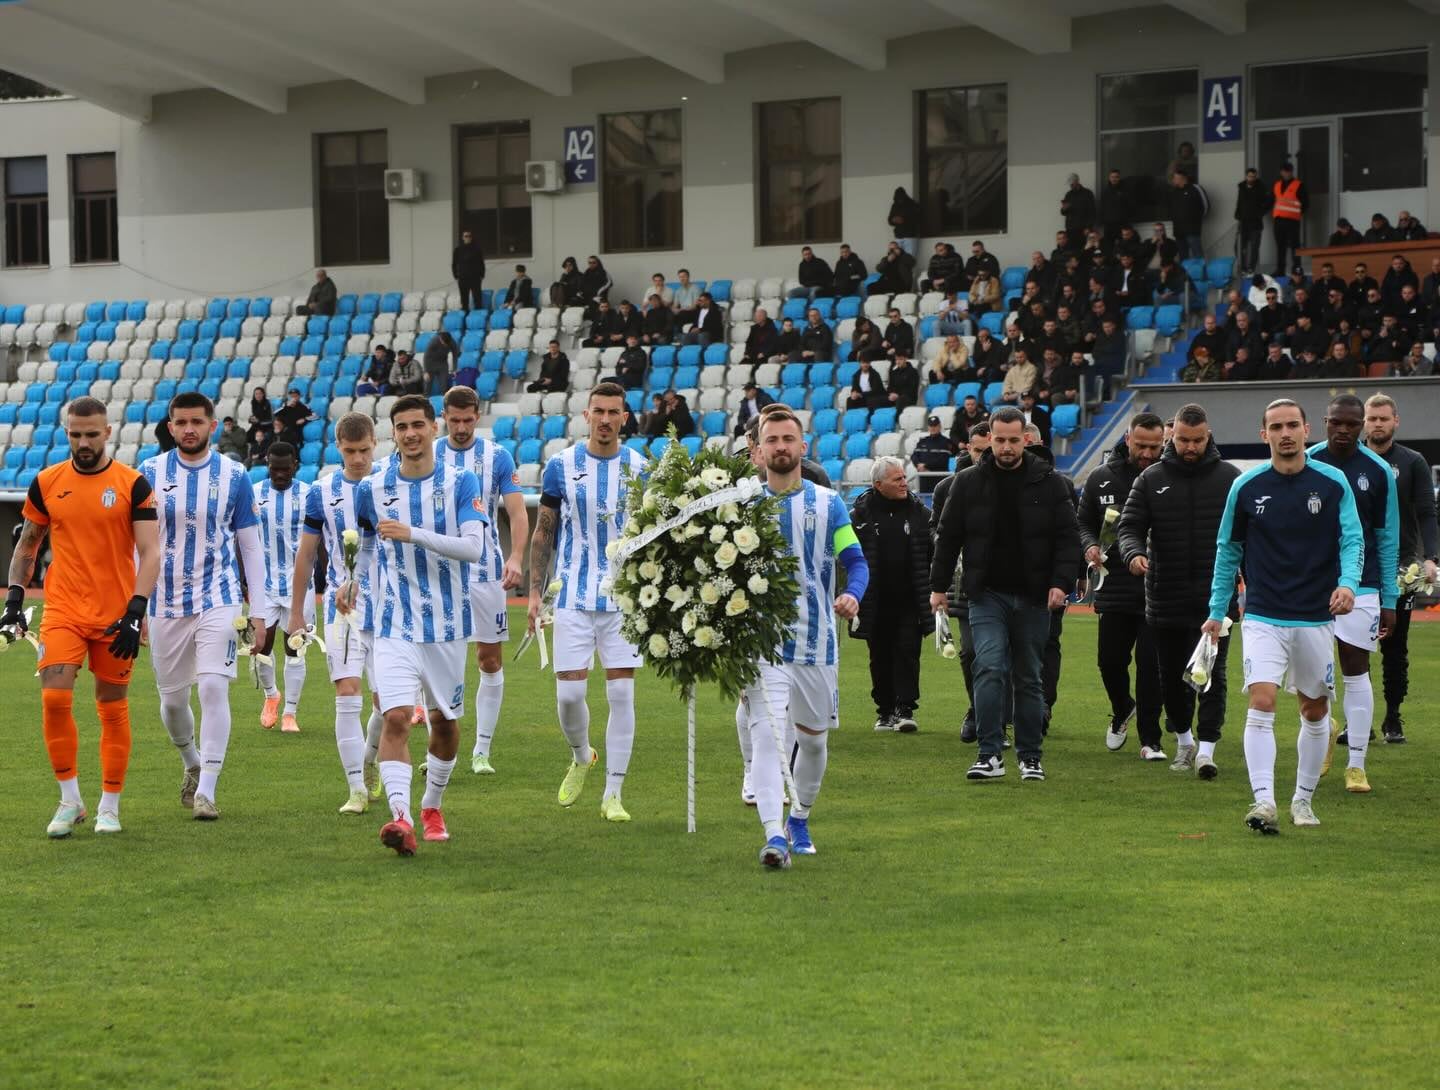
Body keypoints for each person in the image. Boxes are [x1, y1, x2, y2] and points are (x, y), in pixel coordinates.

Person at [338, 395, 489, 856]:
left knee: (444, 725)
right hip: (393, 623)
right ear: (393, 432)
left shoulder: (461, 481)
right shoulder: (373, 486)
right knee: (397, 717)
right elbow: (366, 543)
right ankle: (401, 818)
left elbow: (473, 548)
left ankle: (431, 805)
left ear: (434, 427)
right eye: (401, 426)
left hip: (446, 625)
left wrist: (413, 534)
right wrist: (353, 580)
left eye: (418, 425)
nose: (410, 434)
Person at [3, 397, 160, 837]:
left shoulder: (133, 484)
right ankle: (70, 801)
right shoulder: (47, 482)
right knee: (54, 700)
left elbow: (150, 552)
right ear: (66, 431)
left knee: (111, 708)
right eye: (75, 434)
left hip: (116, 614)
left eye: (92, 434)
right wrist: (14, 600)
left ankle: (110, 805)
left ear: (107, 433)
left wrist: (136, 610)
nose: (84, 442)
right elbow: (28, 545)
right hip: (64, 610)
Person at [1204, 398, 1362, 834]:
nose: (1286, 433)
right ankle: (1264, 801)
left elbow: (1352, 539)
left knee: (1313, 710)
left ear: (1307, 430)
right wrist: (1217, 611)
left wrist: (1348, 583)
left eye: (1293, 425)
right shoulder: (1247, 487)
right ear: (1264, 435)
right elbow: (1227, 551)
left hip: (1315, 616)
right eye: (1277, 426)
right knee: (1262, 700)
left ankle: (1303, 800)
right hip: (1263, 615)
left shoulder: (1332, 484)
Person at [742, 408, 867, 868]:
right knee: (769, 740)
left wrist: (852, 595)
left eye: (787, 439)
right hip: (762, 645)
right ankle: (774, 836)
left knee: (813, 742)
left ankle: (800, 816)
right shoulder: (741, 505)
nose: (780, 447)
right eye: (771, 439)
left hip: (816, 643)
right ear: (758, 450)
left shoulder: (828, 503)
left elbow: (855, 561)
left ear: (802, 445)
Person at [930, 407, 1081, 782]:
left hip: (1033, 596)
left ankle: (1030, 757)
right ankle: (990, 754)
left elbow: (1067, 540)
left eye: (1014, 440)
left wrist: (1061, 583)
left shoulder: (1051, 483)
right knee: (989, 666)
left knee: (1029, 676)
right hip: (986, 594)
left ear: (1025, 440)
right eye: (1000, 440)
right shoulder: (966, 483)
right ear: (989, 440)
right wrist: (937, 587)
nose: (1007, 447)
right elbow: (948, 538)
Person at [140, 392, 268, 820]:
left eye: (197, 421)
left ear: (213, 425)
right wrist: (135, 605)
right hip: (164, 600)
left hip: (220, 596)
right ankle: (192, 762)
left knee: (213, 687)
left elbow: (250, 546)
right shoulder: (149, 473)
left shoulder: (234, 475)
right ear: (171, 427)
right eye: (181, 422)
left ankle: (207, 791)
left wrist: (260, 610)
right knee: (173, 702)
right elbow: (136, 547)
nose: (189, 429)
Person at [528, 383, 648, 823]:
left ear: (624, 417)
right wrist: (536, 591)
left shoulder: (641, 467)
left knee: (620, 691)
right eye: (598, 411)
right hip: (573, 595)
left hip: (624, 597)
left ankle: (613, 794)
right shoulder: (560, 466)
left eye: (613, 412)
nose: (604, 419)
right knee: (569, 696)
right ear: (585, 415)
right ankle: (582, 756)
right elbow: (545, 530)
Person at [1118, 403, 1241, 779]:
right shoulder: (1151, 478)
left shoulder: (1230, 479)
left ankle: (1207, 749)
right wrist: (1134, 554)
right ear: (1173, 437)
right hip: (1165, 595)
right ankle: (1184, 741)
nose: (1190, 447)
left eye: (1197, 440)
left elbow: (1249, 533)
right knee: (1171, 677)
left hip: (1214, 599)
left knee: (1211, 676)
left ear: (1208, 436)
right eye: (1184, 440)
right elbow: (1129, 527)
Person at [288, 413, 381, 814]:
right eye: (350, 451)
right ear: (337, 447)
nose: (358, 458)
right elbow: (307, 554)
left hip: (391, 608)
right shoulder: (320, 492)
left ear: (375, 443)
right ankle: (356, 789)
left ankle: (371, 758)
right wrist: (296, 612)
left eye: (364, 450)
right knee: (346, 693)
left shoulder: (390, 484)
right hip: (342, 611)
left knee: (385, 704)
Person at [434, 386, 528, 775]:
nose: (460, 427)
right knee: (439, 661)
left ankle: (482, 750)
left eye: (467, 419)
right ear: (444, 416)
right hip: (438, 574)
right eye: (453, 420)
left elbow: (518, 513)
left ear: (478, 415)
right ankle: (439, 750)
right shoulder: (429, 453)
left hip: (486, 573)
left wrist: (517, 557)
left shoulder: (498, 456)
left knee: (488, 659)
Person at [1308, 394, 1398, 795]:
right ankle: (1324, 730)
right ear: (1325, 421)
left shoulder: (1378, 471)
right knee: (1311, 673)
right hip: (1310, 582)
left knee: (1354, 666)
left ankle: (1357, 764)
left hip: (1362, 583)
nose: (1344, 430)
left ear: (1362, 425)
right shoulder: (1306, 461)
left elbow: (1387, 537)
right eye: (1336, 423)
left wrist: (1390, 599)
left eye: (1352, 424)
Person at [1078, 417, 1165, 758]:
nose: (1146, 453)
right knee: (1109, 661)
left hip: (1157, 587)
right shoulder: (1102, 478)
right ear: (1127, 439)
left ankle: (1150, 739)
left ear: (1164, 442)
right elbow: (1084, 522)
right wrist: (1089, 545)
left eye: (1153, 447)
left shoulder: (1168, 477)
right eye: (1140, 445)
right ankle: (1121, 708)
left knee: (1149, 665)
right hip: (1113, 585)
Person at [1363, 394, 1437, 745]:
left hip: (1400, 566)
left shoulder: (1412, 462)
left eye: (1384, 418)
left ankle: (1393, 716)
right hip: (1357, 567)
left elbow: (1426, 512)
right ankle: (1356, 721)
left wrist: (1431, 558)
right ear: (1364, 421)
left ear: (1396, 421)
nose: (1377, 423)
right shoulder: (1349, 461)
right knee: (1353, 647)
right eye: (1372, 418)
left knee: (1396, 646)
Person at [850, 457, 931, 731]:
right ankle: (884, 710)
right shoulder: (859, 516)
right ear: (878, 484)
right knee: (879, 656)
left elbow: (931, 552)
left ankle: (905, 708)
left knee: (908, 652)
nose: (904, 483)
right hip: (874, 599)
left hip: (910, 599)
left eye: (904, 478)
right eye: (897, 479)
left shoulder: (920, 513)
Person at [930, 422, 990, 742]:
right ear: (967, 448)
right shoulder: (947, 488)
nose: (983, 457)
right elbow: (937, 533)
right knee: (969, 653)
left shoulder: (1012, 484)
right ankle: (977, 709)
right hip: (964, 583)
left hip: (1005, 582)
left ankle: (998, 714)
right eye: (978, 450)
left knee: (1002, 654)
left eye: (988, 450)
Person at [251, 442, 312, 735]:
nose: (278, 474)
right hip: (264, 583)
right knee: (260, 645)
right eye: (273, 468)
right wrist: (243, 579)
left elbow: (319, 538)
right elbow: (244, 537)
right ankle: (271, 695)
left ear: (295, 465)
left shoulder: (308, 494)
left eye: (284, 468)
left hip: (300, 585)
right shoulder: (254, 493)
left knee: (295, 649)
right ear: (267, 464)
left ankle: (290, 712)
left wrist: (321, 577)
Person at [1270, 162, 1307, 276]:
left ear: (1291, 172)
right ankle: (1280, 270)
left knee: (1295, 246)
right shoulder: (1276, 185)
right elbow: (1271, 200)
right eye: (1284, 171)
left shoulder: (1299, 185)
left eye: (1288, 171)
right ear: (1281, 172)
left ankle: (1296, 269)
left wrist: (1298, 213)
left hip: (1292, 221)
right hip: (1279, 220)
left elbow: (1306, 203)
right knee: (1280, 246)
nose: (1286, 173)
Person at [1234, 167, 1272, 277]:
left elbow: (1268, 202)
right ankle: (1243, 268)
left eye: (1254, 176)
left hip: (1256, 222)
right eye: (1250, 176)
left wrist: (1260, 213)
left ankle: (1251, 268)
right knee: (1240, 246)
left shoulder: (1261, 187)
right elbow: (1240, 202)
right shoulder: (1241, 187)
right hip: (1243, 221)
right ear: (1246, 176)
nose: (1251, 178)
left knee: (1254, 246)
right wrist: (1238, 214)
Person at [1168, 170, 1207, 262]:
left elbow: (1206, 206)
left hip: (1192, 230)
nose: (1173, 180)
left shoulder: (1195, 188)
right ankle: (1184, 276)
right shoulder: (1174, 192)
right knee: (1183, 256)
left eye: (1174, 178)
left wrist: (1196, 219)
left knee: (1197, 255)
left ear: (1182, 178)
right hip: (1179, 230)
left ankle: (1201, 275)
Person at [910, 415, 952, 493]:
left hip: (939, 479)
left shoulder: (945, 442)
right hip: (923, 478)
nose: (933, 428)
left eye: (935, 425)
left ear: (939, 426)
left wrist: (925, 466)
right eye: (931, 426)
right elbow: (914, 456)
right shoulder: (922, 441)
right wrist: (918, 465)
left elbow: (942, 460)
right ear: (928, 427)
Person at [1098, 168, 1135, 248]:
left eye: (1116, 177)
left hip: (1122, 224)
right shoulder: (1105, 192)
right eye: (1112, 177)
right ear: (1109, 178)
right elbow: (1102, 208)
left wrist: (1128, 221)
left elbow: (1130, 206)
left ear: (1119, 178)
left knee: (1124, 245)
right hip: (1109, 225)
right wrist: (1102, 222)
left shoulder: (1125, 190)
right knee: (1108, 246)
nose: (1114, 179)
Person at [452, 230, 486, 312]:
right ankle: (465, 316)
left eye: (469, 236)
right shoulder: (458, 250)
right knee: (464, 299)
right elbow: (454, 264)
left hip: (475, 277)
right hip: (463, 278)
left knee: (477, 298)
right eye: (466, 236)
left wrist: (482, 274)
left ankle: (477, 317)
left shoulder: (477, 249)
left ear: (471, 238)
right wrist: (456, 275)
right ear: (462, 238)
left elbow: (481, 263)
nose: (467, 238)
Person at [887, 187, 922, 257]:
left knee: (909, 258)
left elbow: (918, 219)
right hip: (899, 235)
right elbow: (890, 220)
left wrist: (904, 220)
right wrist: (894, 220)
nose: (899, 199)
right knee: (897, 257)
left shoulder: (912, 204)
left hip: (910, 235)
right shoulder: (895, 205)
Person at [422, 330, 457, 397]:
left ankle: (444, 401)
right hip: (430, 363)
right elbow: (426, 356)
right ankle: (425, 401)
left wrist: (455, 369)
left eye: (447, 344)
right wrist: (426, 371)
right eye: (443, 343)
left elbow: (455, 355)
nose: (445, 345)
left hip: (442, 364)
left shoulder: (452, 342)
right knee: (427, 385)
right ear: (440, 338)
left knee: (444, 385)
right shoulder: (433, 341)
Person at [1060, 173, 1096, 237]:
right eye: (1070, 184)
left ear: (1077, 181)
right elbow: (1063, 213)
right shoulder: (1068, 195)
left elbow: (1092, 212)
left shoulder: (1087, 193)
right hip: (1070, 229)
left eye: (1072, 184)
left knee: (1083, 247)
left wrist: (1088, 227)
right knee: (1071, 247)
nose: (1070, 186)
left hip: (1083, 229)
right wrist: (1064, 209)